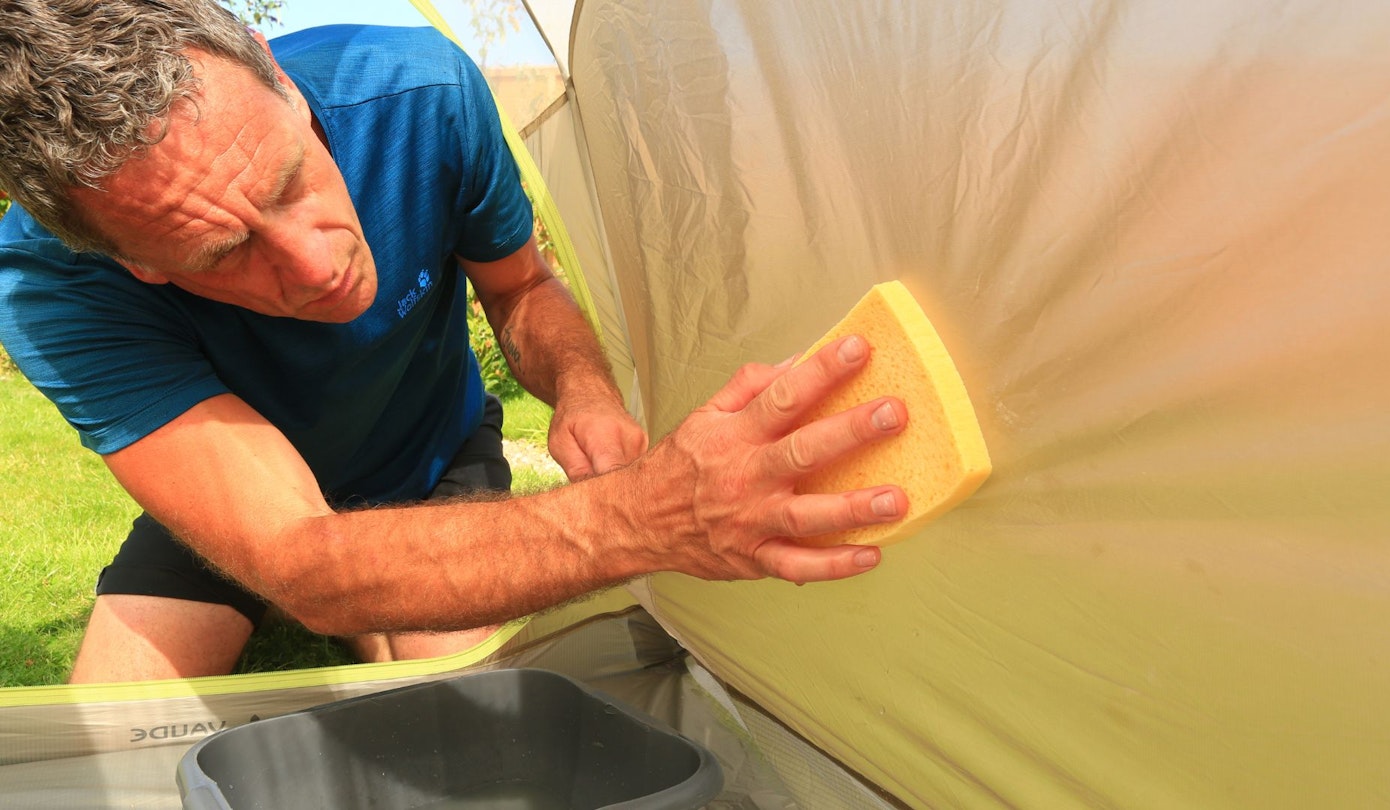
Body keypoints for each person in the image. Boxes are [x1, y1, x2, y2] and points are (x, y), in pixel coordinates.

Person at [0, 0, 909, 684]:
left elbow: (520, 288)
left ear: (279, 77)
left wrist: (584, 385)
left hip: (433, 467)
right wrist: (650, 514)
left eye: (289, 177)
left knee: (462, 712)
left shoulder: (424, 92)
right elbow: (294, 554)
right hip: (249, 506)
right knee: (106, 749)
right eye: (222, 249)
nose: (317, 268)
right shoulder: (50, 285)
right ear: (131, 263)